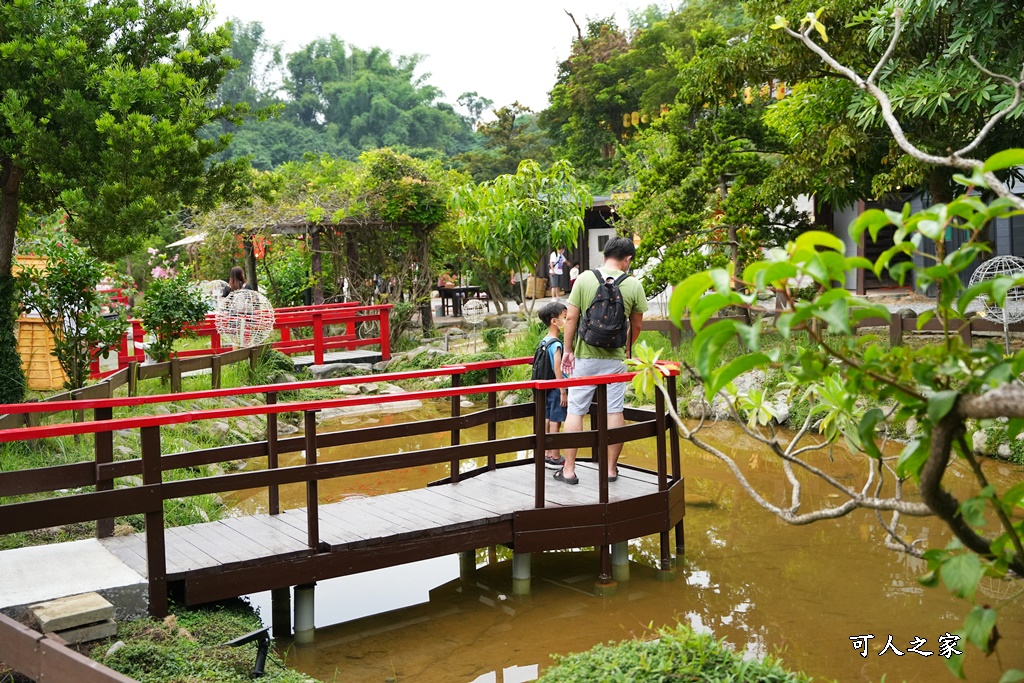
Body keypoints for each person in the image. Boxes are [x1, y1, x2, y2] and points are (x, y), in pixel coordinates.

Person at [554, 236, 647, 485]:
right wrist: (627, 350)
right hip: (615, 359)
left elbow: (571, 318)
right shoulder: (633, 284)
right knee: (615, 410)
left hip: (585, 357)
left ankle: (569, 470)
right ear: (627, 259)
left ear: (605, 254)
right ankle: (610, 470)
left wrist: (569, 350)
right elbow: (636, 325)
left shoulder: (584, 278)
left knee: (576, 411)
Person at [535, 301, 568, 468]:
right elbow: (557, 368)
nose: (567, 320)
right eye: (565, 317)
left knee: (547, 419)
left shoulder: (543, 341)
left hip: (546, 388)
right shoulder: (556, 344)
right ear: (554, 321)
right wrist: (563, 391)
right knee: (556, 421)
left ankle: (547, 453)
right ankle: (556, 456)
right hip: (556, 388)